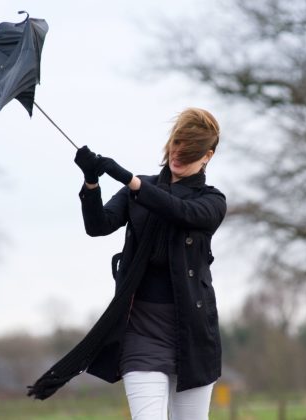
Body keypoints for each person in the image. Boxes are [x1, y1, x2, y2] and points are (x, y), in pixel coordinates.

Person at [73, 107, 226, 420]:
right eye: (176, 144)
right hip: (141, 332)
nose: (179, 155)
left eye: (191, 151)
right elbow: (98, 225)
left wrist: (132, 182)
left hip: (193, 335)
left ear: (207, 156)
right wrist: (91, 182)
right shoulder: (138, 190)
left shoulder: (211, 201)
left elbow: (181, 212)